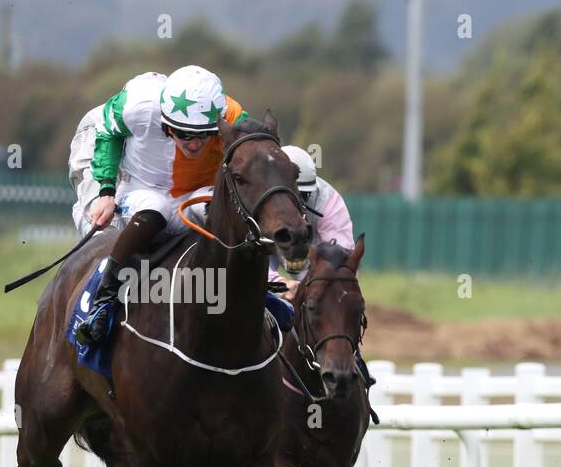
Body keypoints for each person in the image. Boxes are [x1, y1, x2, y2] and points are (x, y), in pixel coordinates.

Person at [71, 65, 248, 346]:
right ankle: (102, 303)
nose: (193, 145)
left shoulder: (232, 115)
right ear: (166, 123)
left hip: (195, 194)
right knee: (157, 209)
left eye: (203, 135)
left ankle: (261, 295)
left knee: (226, 212)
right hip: (142, 189)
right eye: (184, 134)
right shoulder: (139, 104)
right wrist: (106, 189)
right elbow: (106, 129)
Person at [269, 145, 356, 296]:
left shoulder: (328, 201)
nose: (294, 204)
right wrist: (279, 284)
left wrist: (313, 287)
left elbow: (341, 260)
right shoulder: (257, 202)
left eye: (302, 195)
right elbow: (248, 260)